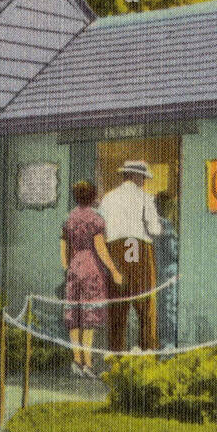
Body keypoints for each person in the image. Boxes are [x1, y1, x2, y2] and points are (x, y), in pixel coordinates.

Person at [61, 180, 125, 377]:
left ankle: (76, 361)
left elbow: (63, 247)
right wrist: (114, 270)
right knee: (88, 318)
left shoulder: (69, 218)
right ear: (93, 196)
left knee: (75, 317)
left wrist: (67, 266)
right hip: (92, 268)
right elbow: (100, 247)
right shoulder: (96, 219)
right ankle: (87, 364)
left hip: (74, 266)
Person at [97, 161, 163, 352]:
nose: (143, 182)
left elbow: (102, 229)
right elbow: (155, 229)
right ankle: (148, 351)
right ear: (136, 177)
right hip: (140, 252)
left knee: (117, 307)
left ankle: (116, 354)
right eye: (142, 178)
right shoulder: (145, 198)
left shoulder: (108, 198)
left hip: (116, 252)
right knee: (146, 307)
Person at [152, 192, 179, 348]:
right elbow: (173, 251)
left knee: (161, 310)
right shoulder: (166, 224)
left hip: (158, 272)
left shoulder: (152, 224)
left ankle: (162, 343)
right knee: (169, 310)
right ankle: (168, 345)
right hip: (169, 273)